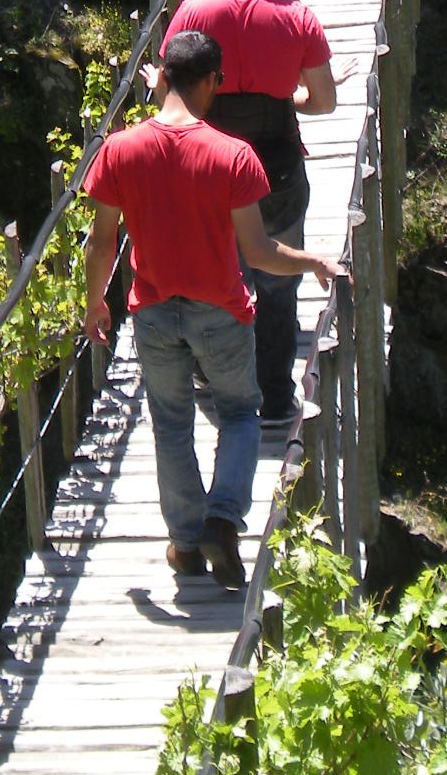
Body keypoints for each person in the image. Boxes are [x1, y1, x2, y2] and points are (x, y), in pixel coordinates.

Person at [82, 30, 338, 588]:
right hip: (220, 311)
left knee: (171, 424)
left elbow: (102, 243)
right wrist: (312, 260)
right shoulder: (233, 156)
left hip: (151, 310)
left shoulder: (118, 149)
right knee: (241, 413)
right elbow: (260, 253)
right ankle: (223, 519)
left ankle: (184, 542)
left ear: (163, 78)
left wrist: (94, 304)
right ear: (208, 82)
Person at [154, 0, 348, 428]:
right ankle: (276, 400)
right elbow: (324, 101)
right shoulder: (296, 17)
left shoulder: (193, 14)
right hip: (276, 169)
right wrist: (291, 97)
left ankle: (218, 383)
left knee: (220, 277)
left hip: (208, 167)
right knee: (277, 287)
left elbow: (164, 96)